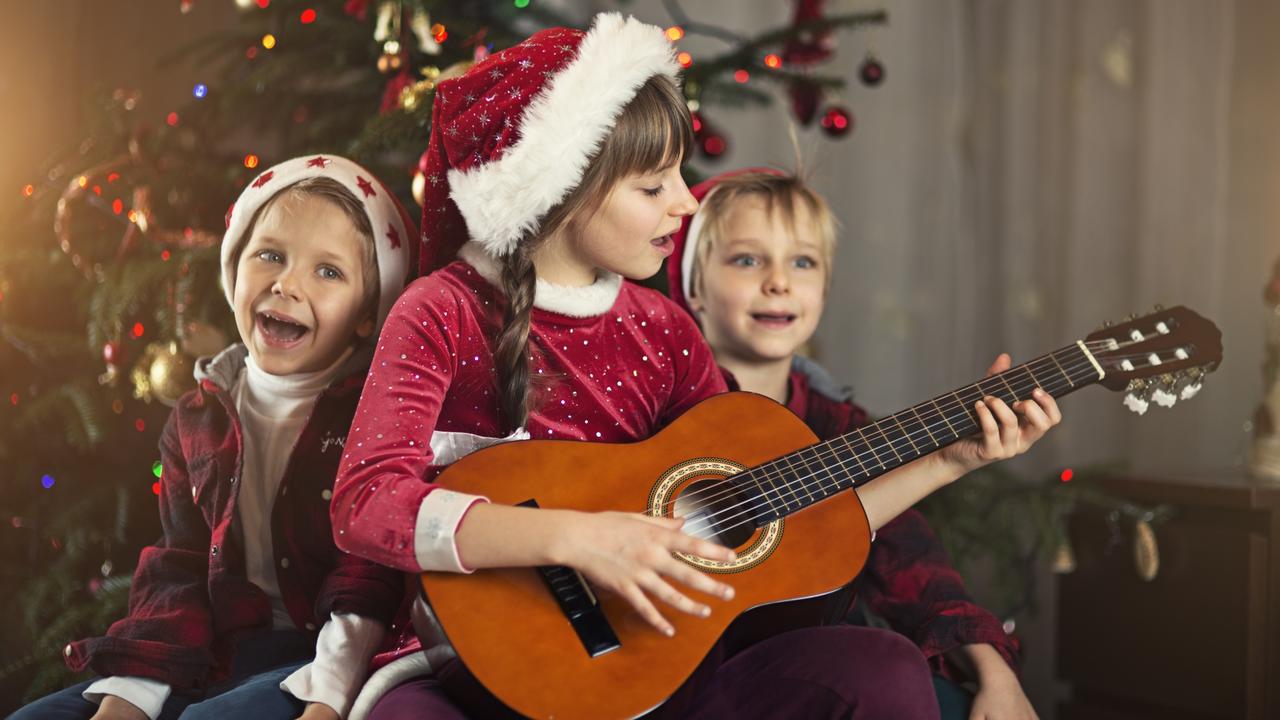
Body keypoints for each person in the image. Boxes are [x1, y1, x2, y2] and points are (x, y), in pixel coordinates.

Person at [332, 13, 1060, 720]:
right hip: (478, 663)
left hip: (661, 670)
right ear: (560, 189)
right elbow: (367, 503)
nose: (684, 202)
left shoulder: (666, 333)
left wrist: (953, 457)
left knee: (881, 668)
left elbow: (787, 529)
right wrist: (574, 539)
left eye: (679, 176)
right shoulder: (443, 310)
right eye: (653, 186)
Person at [13, 156, 414, 720]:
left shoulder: (375, 417)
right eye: (270, 255)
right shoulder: (198, 417)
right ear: (234, 272)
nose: (287, 283)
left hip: (319, 654)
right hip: (214, 645)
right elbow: (180, 563)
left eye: (328, 272)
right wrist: (134, 690)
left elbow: (370, 574)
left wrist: (329, 696)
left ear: (367, 314)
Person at [666, 167, 1040, 719]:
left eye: (803, 262)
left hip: (804, 659)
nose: (779, 281)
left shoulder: (841, 425)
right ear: (693, 286)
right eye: (747, 259)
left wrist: (996, 672)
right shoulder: (665, 402)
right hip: (690, 668)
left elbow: (911, 563)